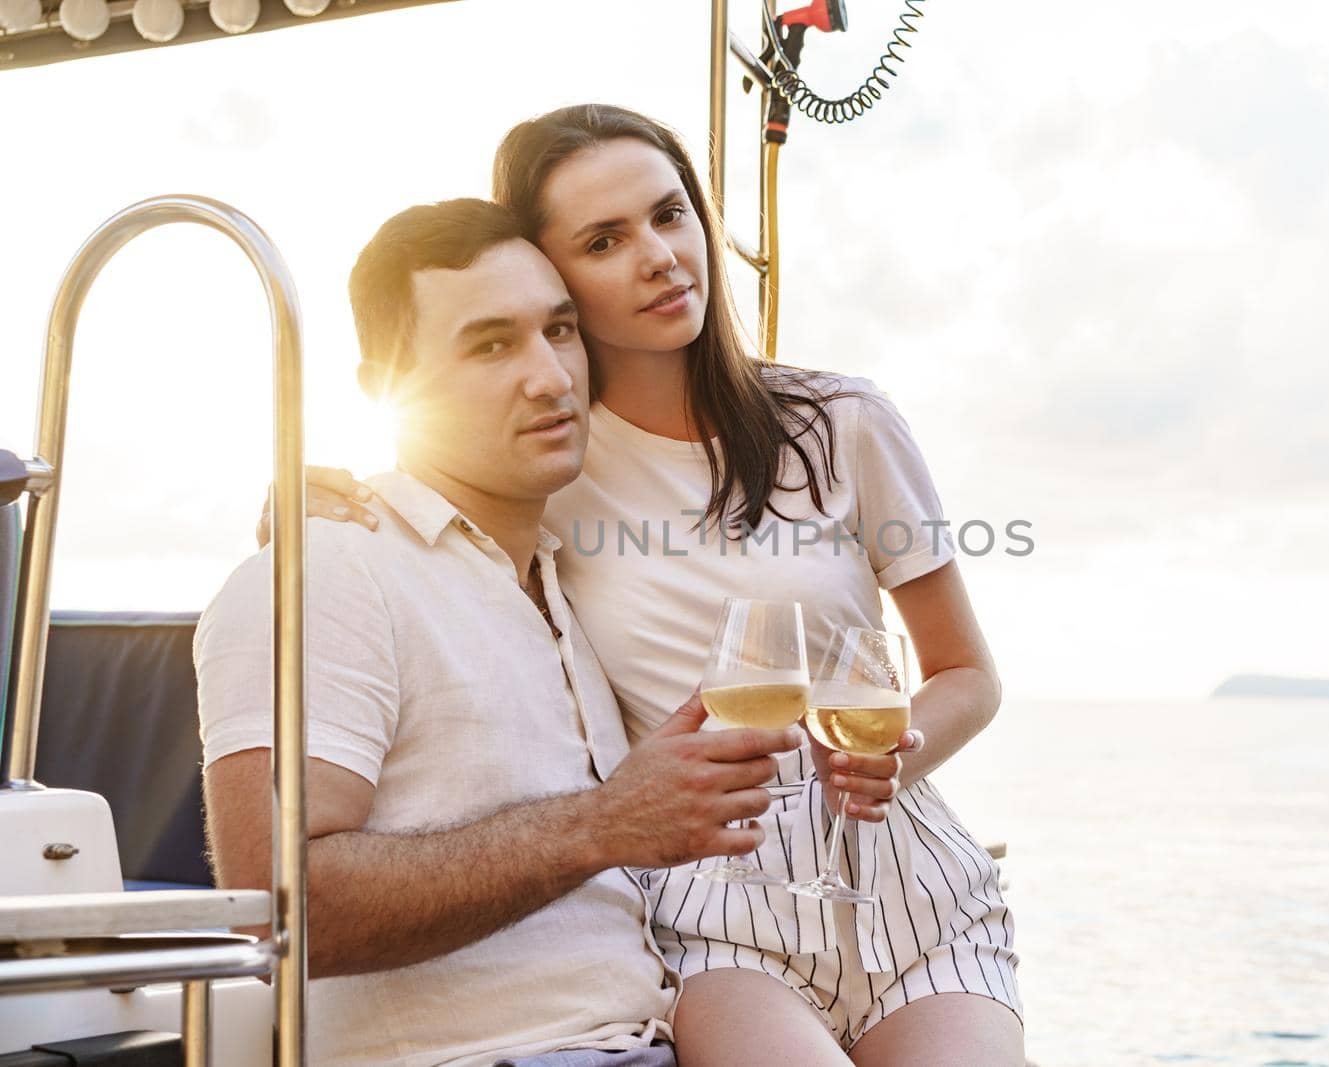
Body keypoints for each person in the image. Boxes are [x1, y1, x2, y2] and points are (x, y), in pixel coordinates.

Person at [300, 104, 1022, 1066]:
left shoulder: (842, 421)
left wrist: (900, 750)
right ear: (555, 274)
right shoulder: (545, 465)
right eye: (605, 240)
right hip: (711, 914)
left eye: (670, 213)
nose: (659, 255)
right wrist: (301, 485)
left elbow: (966, 671)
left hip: (908, 884)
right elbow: (420, 500)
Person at [197, 198, 813, 1067]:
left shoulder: (570, 581)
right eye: (491, 344)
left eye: (560, 331)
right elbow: (282, 905)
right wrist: (603, 822)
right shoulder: (329, 571)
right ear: (384, 387)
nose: (552, 377)